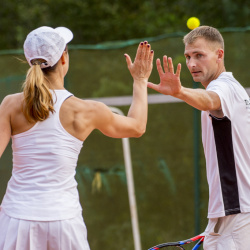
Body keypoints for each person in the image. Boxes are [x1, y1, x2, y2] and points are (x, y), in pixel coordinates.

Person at [0, 26, 154, 250]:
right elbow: (137, 127)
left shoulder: (10, 105)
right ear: (64, 58)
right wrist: (140, 80)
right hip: (64, 220)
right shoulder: (86, 110)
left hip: (17, 218)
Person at [147, 25, 250, 249]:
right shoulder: (235, 88)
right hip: (236, 211)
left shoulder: (224, 88)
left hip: (235, 211)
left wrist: (179, 92)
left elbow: (211, 99)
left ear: (219, 54)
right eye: (188, 57)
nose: (192, 64)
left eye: (199, 55)